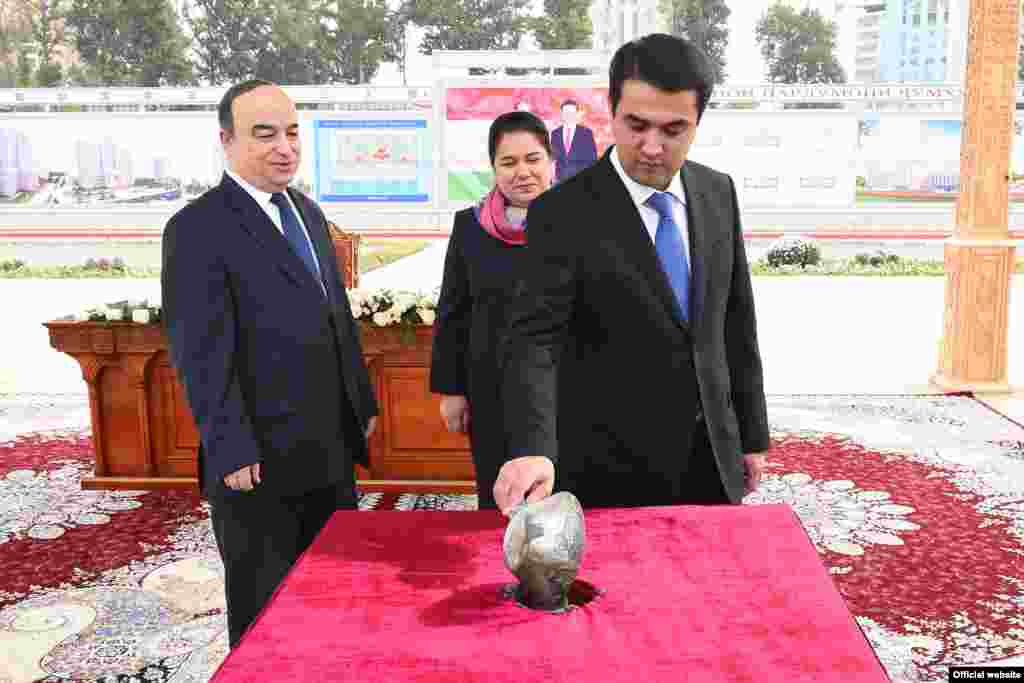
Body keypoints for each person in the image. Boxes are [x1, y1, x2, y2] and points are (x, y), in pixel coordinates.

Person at [494, 34, 769, 513]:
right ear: (612, 109)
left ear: (698, 121)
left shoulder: (717, 192)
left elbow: (736, 320)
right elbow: (534, 341)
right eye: (636, 125)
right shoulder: (561, 212)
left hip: (712, 455)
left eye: (674, 129)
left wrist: (751, 434)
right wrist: (533, 446)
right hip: (610, 468)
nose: (652, 147)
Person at [161, 80, 378, 647]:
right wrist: (230, 446)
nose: (285, 147)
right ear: (226, 141)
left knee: (333, 594)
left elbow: (336, 318)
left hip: (328, 449)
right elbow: (200, 351)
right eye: (265, 134)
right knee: (267, 610)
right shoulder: (197, 228)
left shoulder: (306, 211)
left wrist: (361, 404)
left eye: (291, 132)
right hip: (258, 462)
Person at [430, 111, 555, 509]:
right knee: (500, 498)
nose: (523, 172)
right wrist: (452, 391)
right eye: (509, 162)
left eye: (533, 159)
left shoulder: (580, 223)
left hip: (563, 390)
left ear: (551, 162)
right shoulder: (470, 226)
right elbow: (453, 310)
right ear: (494, 168)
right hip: (491, 389)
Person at [550, 99, 599, 183]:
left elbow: (592, 159)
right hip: (560, 180)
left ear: (576, 114)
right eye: (566, 112)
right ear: (561, 114)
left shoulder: (586, 133)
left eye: (571, 112)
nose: (568, 115)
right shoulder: (555, 133)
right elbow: (552, 157)